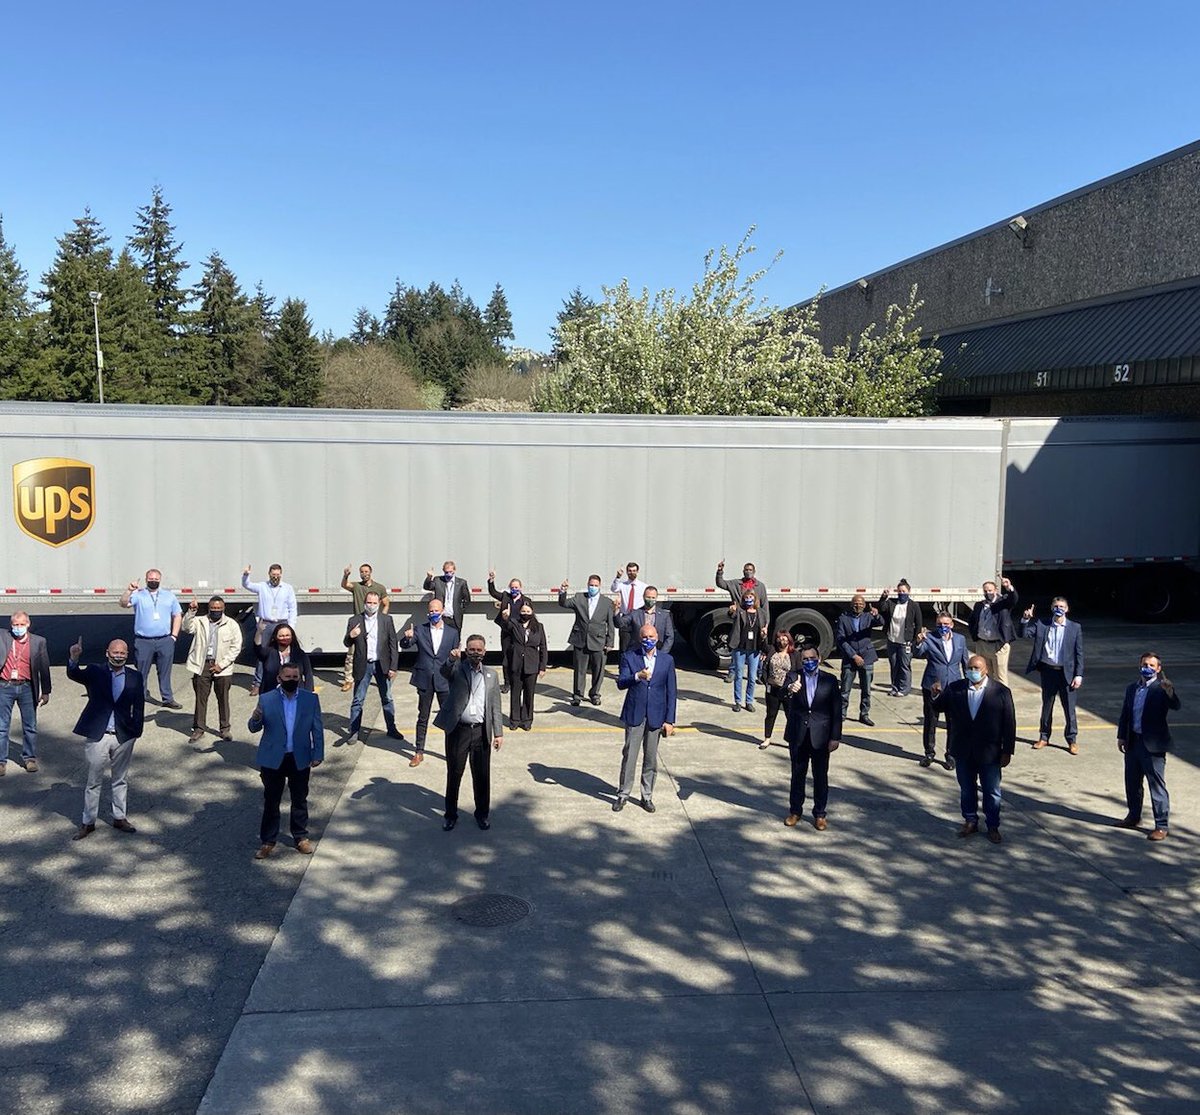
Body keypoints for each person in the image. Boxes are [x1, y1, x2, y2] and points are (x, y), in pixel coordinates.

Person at [931, 654, 1016, 844]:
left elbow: (1009, 723)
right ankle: (970, 820)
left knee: (992, 791)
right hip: (964, 750)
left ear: (985, 670)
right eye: (970, 668)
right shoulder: (956, 688)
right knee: (967, 789)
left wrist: (1007, 750)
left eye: (976, 668)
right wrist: (935, 694)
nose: (973, 671)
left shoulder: (1001, 691)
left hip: (990, 752)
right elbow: (938, 707)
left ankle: (993, 826)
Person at [66, 636, 145, 840]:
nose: (118, 656)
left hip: (123, 735)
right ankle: (88, 822)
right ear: (107, 653)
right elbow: (74, 674)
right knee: (94, 780)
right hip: (98, 734)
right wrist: (74, 658)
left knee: (120, 779)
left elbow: (138, 706)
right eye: (115, 652)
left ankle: (119, 817)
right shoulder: (95, 671)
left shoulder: (135, 677)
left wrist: (135, 731)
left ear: (127, 655)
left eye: (122, 653)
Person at [248, 662, 324, 859]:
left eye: (295, 677)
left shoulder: (310, 699)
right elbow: (253, 728)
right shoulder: (266, 699)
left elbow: (317, 728)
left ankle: (300, 837)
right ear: (279, 679)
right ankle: (268, 840)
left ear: (300, 678)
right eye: (287, 677)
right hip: (273, 759)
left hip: (299, 757)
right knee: (271, 800)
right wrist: (255, 718)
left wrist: (318, 753)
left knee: (299, 799)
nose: (291, 680)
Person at [436, 635, 503, 831]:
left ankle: (482, 814)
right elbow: (444, 671)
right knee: (455, 774)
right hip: (459, 731)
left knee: (482, 776)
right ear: (466, 650)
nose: (475, 653)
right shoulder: (458, 668)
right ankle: (450, 815)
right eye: (471, 649)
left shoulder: (491, 675)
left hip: (481, 731)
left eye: (478, 650)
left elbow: (495, 707)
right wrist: (451, 659)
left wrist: (498, 733)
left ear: (485, 652)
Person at [612, 623, 677, 813]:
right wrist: (637, 676)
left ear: (657, 637)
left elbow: (671, 692)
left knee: (650, 759)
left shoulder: (667, 660)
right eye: (645, 637)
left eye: (651, 636)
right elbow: (621, 683)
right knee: (629, 756)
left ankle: (646, 796)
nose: (648, 640)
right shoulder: (629, 657)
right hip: (635, 714)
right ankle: (623, 794)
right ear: (640, 639)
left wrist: (670, 720)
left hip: (656, 716)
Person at [1117, 652, 1181, 841]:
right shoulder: (1132, 688)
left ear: (1158, 669)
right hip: (1133, 742)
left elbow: (1175, 705)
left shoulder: (1161, 688)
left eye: (1152, 665)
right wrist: (1122, 736)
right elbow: (1125, 714)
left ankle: (1161, 825)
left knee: (1156, 786)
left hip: (1153, 746)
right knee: (1132, 782)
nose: (1148, 667)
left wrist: (1170, 692)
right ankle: (1133, 816)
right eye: (1145, 664)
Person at [782, 644, 842, 830]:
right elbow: (780, 693)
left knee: (820, 776)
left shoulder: (830, 680)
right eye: (805, 659)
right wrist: (790, 689)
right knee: (797, 775)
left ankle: (820, 814)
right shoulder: (794, 676)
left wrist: (835, 737)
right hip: (799, 734)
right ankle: (795, 811)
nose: (809, 662)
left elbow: (836, 711)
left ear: (819, 659)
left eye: (812, 658)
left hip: (821, 736)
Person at [1021, 596, 1085, 754]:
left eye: (1062, 606)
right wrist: (1024, 619)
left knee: (1069, 708)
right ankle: (1044, 737)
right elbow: (1024, 634)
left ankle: (1072, 740)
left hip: (1066, 673)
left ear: (1067, 609)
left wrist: (1078, 675)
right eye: (1056, 606)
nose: (1059, 608)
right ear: (1051, 608)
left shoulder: (1075, 628)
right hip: (1048, 671)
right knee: (1047, 706)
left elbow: (1079, 653)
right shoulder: (1042, 625)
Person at [400, 600, 460, 766]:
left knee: (448, 718)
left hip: (444, 679)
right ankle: (419, 751)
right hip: (425, 679)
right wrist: (407, 638)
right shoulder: (420, 629)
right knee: (423, 717)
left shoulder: (452, 633)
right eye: (431, 610)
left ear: (442, 611)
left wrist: (455, 658)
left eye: (436, 610)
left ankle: (452, 752)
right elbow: (405, 645)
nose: (433, 613)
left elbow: (455, 659)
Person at [181, 596, 243, 743]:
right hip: (203, 665)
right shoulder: (200, 621)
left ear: (223, 608)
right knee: (201, 699)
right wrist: (191, 611)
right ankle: (199, 729)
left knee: (223, 698)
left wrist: (222, 664)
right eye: (213, 609)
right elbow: (186, 627)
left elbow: (236, 647)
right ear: (209, 608)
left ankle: (225, 729)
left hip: (223, 667)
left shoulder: (231, 624)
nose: (216, 611)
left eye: (218, 609)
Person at [119, 568, 183, 708]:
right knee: (141, 671)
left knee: (165, 671)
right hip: (143, 641)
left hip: (165, 640)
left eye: (156, 579)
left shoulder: (169, 596)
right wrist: (129, 590)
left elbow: (177, 615)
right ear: (146, 579)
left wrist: (174, 636)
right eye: (150, 579)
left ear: (160, 579)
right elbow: (123, 603)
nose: (153, 581)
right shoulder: (139, 595)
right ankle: (139, 697)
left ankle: (167, 698)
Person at [913, 612, 970, 769]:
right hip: (933, 686)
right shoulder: (930, 638)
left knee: (953, 723)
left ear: (952, 624)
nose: (943, 627)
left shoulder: (960, 639)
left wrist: (969, 683)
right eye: (940, 625)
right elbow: (918, 653)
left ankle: (951, 755)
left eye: (946, 624)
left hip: (954, 686)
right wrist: (918, 642)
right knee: (931, 721)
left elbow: (965, 661)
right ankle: (929, 753)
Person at [345, 590, 402, 743]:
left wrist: (393, 667)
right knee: (358, 700)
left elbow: (393, 645)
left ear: (379, 604)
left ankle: (391, 728)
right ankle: (354, 731)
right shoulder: (354, 620)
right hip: (363, 665)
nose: (371, 605)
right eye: (369, 603)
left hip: (381, 664)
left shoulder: (386, 620)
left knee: (387, 698)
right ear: (364, 603)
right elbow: (346, 643)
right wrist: (351, 635)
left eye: (374, 603)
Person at [0, 611, 51, 774]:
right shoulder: (3, 636)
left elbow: (44, 667)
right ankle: (1, 761)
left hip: (27, 687)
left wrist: (46, 691)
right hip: (5, 686)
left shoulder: (38, 642)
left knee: (30, 725)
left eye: (21, 624)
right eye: (15, 624)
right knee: (2, 726)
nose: (18, 628)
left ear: (28, 624)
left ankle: (29, 758)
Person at [557, 575, 615, 706]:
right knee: (579, 669)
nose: (592, 587)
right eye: (591, 585)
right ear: (587, 585)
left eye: (595, 585)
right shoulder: (579, 598)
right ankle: (577, 695)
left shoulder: (607, 602)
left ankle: (594, 694)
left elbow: (610, 624)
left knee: (598, 670)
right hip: (580, 639)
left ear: (599, 586)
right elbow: (564, 603)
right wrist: (563, 592)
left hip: (599, 640)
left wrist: (610, 642)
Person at [241, 563, 298, 696]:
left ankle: (285, 679)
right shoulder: (262, 587)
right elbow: (247, 585)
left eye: (278, 575)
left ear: (281, 575)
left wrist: (291, 626)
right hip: (266, 623)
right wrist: (246, 575)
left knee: (285, 652)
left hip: (282, 623)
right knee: (262, 654)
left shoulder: (287, 588)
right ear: (269, 574)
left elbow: (292, 608)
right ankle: (258, 683)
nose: (275, 577)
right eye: (273, 575)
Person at [339, 563, 390, 692]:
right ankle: (348, 680)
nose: (364, 574)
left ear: (371, 572)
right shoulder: (356, 586)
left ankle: (381, 678)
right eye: (362, 572)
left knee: (377, 652)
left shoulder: (379, 587)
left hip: (373, 624)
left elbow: (386, 603)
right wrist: (345, 575)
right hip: (359, 624)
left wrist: (382, 619)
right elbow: (345, 585)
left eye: (366, 571)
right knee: (351, 653)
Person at [716, 560, 770, 680]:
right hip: (741, 619)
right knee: (737, 645)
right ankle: (732, 671)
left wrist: (766, 624)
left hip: (755, 619)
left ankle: (759, 674)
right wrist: (720, 571)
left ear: (754, 572)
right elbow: (721, 583)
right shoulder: (736, 584)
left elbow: (765, 605)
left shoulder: (760, 586)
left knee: (757, 646)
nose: (748, 572)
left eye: (750, 570)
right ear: (743, 571)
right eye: (746, 570)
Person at [836, 594, 882, 726]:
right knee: (845, 690)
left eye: (861, 603)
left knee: (866, 690)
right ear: (851, 604)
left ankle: (864, 714)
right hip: (850, 659)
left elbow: (881, 622)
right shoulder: (843, 619)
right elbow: (841, 640)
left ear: (865, 605)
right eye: (856, 603)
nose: (858, 605)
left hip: (867, 657)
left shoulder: (868, 617)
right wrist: (853, 656)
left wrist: (877, 615)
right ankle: (842, 714)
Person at [968, 577, 1019, 687]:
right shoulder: (979, 605)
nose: (988, 593)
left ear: (996, 590)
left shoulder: (1003, 603)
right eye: (985, 591)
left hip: (998, 645)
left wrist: (1008, 587)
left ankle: (1002, 699)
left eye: (990, 590)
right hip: (982, 644)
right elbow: (972, 621)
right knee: (985, 674)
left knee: (1000, 676)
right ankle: (988, 698)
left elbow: (1013, 599)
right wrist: (975, 636)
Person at [504, 601, 547, 731]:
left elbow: (543, 647)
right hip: (516, 664)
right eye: (523, 611)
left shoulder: (538, 627)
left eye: (528, 612)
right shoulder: (514, 624)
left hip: (532, 665)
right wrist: (505, 617)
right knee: (515, 693)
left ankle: (527, 720)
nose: (525, 614)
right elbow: (505, 625)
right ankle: (514, 720)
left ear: (532, 612)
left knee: (529, 694)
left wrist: (542, 667)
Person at [876, 580, 922, 697]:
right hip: (892, 640)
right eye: (899, 591)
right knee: (894, 664)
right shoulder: (892, 603)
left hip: (905, 641)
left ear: (908, 592)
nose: (901, 593)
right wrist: (884, 597)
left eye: (903, 591)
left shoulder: (913, 606)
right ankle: (895, 687)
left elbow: (918, 623)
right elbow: (882, 607)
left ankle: (904, 688)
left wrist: (915, 640)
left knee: (904, 665)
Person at [488, 572, 531, 694]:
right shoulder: (506, 597)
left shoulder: (526, 600)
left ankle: (519, 681)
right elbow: (493, 592)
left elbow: (530, 616)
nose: (514, 589)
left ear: (520, 588)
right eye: (512, 587)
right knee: (506, 658)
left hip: (519, 633)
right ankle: (507, 683)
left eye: (516, 587)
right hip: (507, 632)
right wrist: (491, 581)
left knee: (520, 657)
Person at [760, 630, 800, 750]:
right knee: (771, 715)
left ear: (789, 640)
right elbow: (762, 646)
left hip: (788, 690)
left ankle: (791, 740)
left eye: (784, 639)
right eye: (779, 639)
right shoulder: (772, 650)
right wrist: (763, 636)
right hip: (773, 689)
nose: (781, 641)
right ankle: (767, 739)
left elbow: (799, 670)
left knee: (790, 716)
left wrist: (797, 683)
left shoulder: (795, 654)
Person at [728, 590, 766, 713]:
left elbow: (764, 627)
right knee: (738, 675)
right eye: (746, 597)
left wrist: (764, 635)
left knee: (752, 677)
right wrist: (731, 610)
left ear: (755, 599)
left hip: (754, 649)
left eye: (751, 597)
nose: (748, 599)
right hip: (740, 647)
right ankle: (738, 702)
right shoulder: (740, 611)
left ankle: (749, 701)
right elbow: (731, 615)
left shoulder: (760, 613)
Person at [257, 622, 315, 694]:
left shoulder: (300, 654)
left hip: (297, 693)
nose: (285, 638)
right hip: (272, 693)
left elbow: (308, 674)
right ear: (275, 637)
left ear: (292, 636)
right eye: (281, 636)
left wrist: (308, 693)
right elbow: (258, 650)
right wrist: (259, 632)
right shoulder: (269, 652)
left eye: (287, 635)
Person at [617, 586, 675, 655]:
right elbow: (619, 623)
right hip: (638, 653)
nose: (650, 599)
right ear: (643, 597)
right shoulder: (635, 613)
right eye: (648, 597)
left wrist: (662, 654)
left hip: (657, 652)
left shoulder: (664, 615)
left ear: (656, 598)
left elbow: (670, 637)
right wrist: (616, 611)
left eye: (653, 597)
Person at [424, 560, 470, 630]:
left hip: (454, 618)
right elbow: (427, 587)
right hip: (441, 617)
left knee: (455, 639)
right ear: (443, 571)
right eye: (446, 572)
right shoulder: (438, 580)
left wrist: (460, 610)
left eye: (451, 572)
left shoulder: (461, 583)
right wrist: (429, 577)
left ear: (454, 570)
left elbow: (467, 599)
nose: (448, 574)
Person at [611, 562, 647, 651]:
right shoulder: (622, 585)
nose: (632, 573)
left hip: (638, 618)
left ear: (637, 571)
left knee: (639, 644)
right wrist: (618, 577)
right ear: (627, 572)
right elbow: (613, 589)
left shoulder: (644, 586)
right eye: (630, 571)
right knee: (624, 646)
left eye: (634, 571)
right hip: (625, 618)